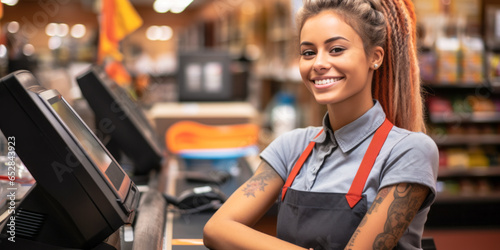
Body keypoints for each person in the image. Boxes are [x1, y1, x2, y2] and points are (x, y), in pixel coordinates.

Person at [203, 0, 439, 249]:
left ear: (375, 57)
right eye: (308, 52)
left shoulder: (408, 151)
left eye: (336, 49)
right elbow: (216, 228)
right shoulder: (290, 146)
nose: (318, 63)